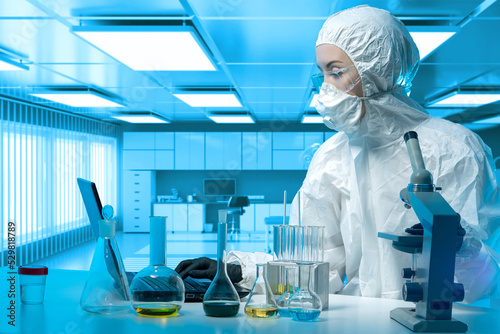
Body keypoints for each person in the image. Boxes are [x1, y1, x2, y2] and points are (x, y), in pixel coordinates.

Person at [176, 5, 500, 303]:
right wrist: (239, 270)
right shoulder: (332, 156)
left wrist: (459, 246)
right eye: (322, 73)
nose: (325, 88)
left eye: (336, 71)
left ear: (379, 70)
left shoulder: (455, 151)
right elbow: (314, 267)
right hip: (360, 319)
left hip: (441, 320)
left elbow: (482, 279)